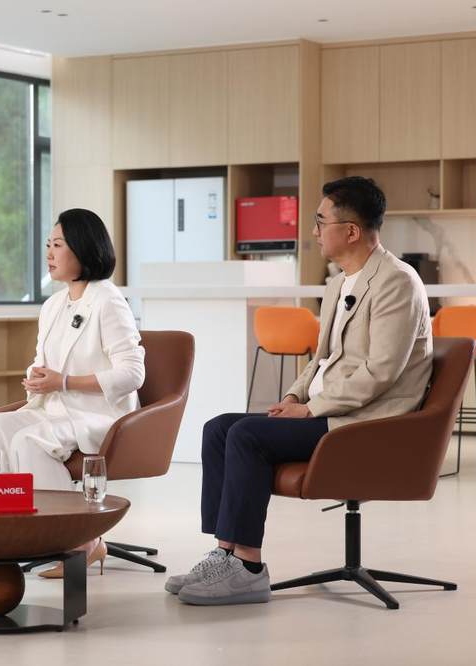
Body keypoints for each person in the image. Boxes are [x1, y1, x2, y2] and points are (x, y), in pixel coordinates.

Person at [168, 176, 433, 606]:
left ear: (351, 231)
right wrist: (295, 396)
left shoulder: (397, 282)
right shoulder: (339, 283)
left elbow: (381, 372)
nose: (314, 231)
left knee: (247, 435)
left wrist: (312, 410)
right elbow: (321, 359)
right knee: (218, 428)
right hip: (329, 410)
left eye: (321, 221)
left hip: (367, 421)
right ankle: (225, 554)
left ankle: (248, 568)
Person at [0, 208, 145, 580]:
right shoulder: (53, 306)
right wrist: (36, 378)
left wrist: (63, 382)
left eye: (58, 245)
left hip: (97, 414)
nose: (49, 253)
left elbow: (132, 374)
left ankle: (81, 542)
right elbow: (42, 362)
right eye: (48, 245)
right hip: (54, 407)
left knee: (28, 441)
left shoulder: (108, 301)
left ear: (83, 249)